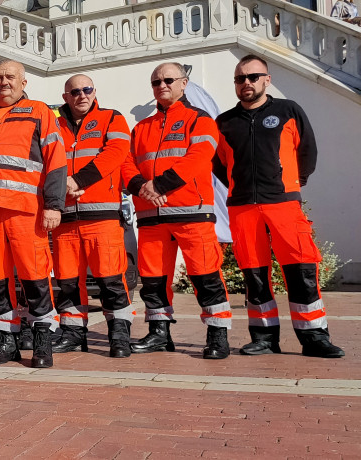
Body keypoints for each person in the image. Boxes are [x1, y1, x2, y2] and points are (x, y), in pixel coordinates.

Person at [214, 54, 344, 358]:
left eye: (253, 77)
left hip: (283, 204)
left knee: (301, 270)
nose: (246, 83)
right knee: (254, 274)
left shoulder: (288, 110)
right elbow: (220, 164)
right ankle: (263, 337)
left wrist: (291, 183)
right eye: (240, 78)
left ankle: (314, 337)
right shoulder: (225, 122)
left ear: (266, 79)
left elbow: (307, 150)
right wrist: (240, 185)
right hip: (243, 207)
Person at [120, 62, 232, 359]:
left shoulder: (201, 119)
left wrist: (159, 186)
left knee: (205, 275)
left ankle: (217, 335)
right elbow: (126, 163)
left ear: (184, 83)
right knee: (153, 279)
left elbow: (198, 158)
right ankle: (159, 333)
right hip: (150, 216)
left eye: (168, 80)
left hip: (191, 212)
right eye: (156, 82)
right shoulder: (141, 128)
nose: (162, 86)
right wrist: (142, 186)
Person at [0, 59, 65, 368]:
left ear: (23, 83)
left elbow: (56, 161)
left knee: (34, 278)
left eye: (10, 77)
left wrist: (53, 205)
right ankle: (6, 340)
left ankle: (42, 340)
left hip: (26, 212)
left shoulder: (39, 112)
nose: (3, 82)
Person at [52, 75, 136, 358]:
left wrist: (78, 181)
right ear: (66, 97)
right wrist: (63, 187)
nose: (81, 95)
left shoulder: (112, 118)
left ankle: (119, 334)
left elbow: (115, 153)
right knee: (67, 281)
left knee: (111, 279)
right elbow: (47, 159)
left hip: (102, 215)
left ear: (94, 91)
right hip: (64, 217)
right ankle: (73, 333)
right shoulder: (54, 126)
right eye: (74, 91)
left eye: (86, 89)